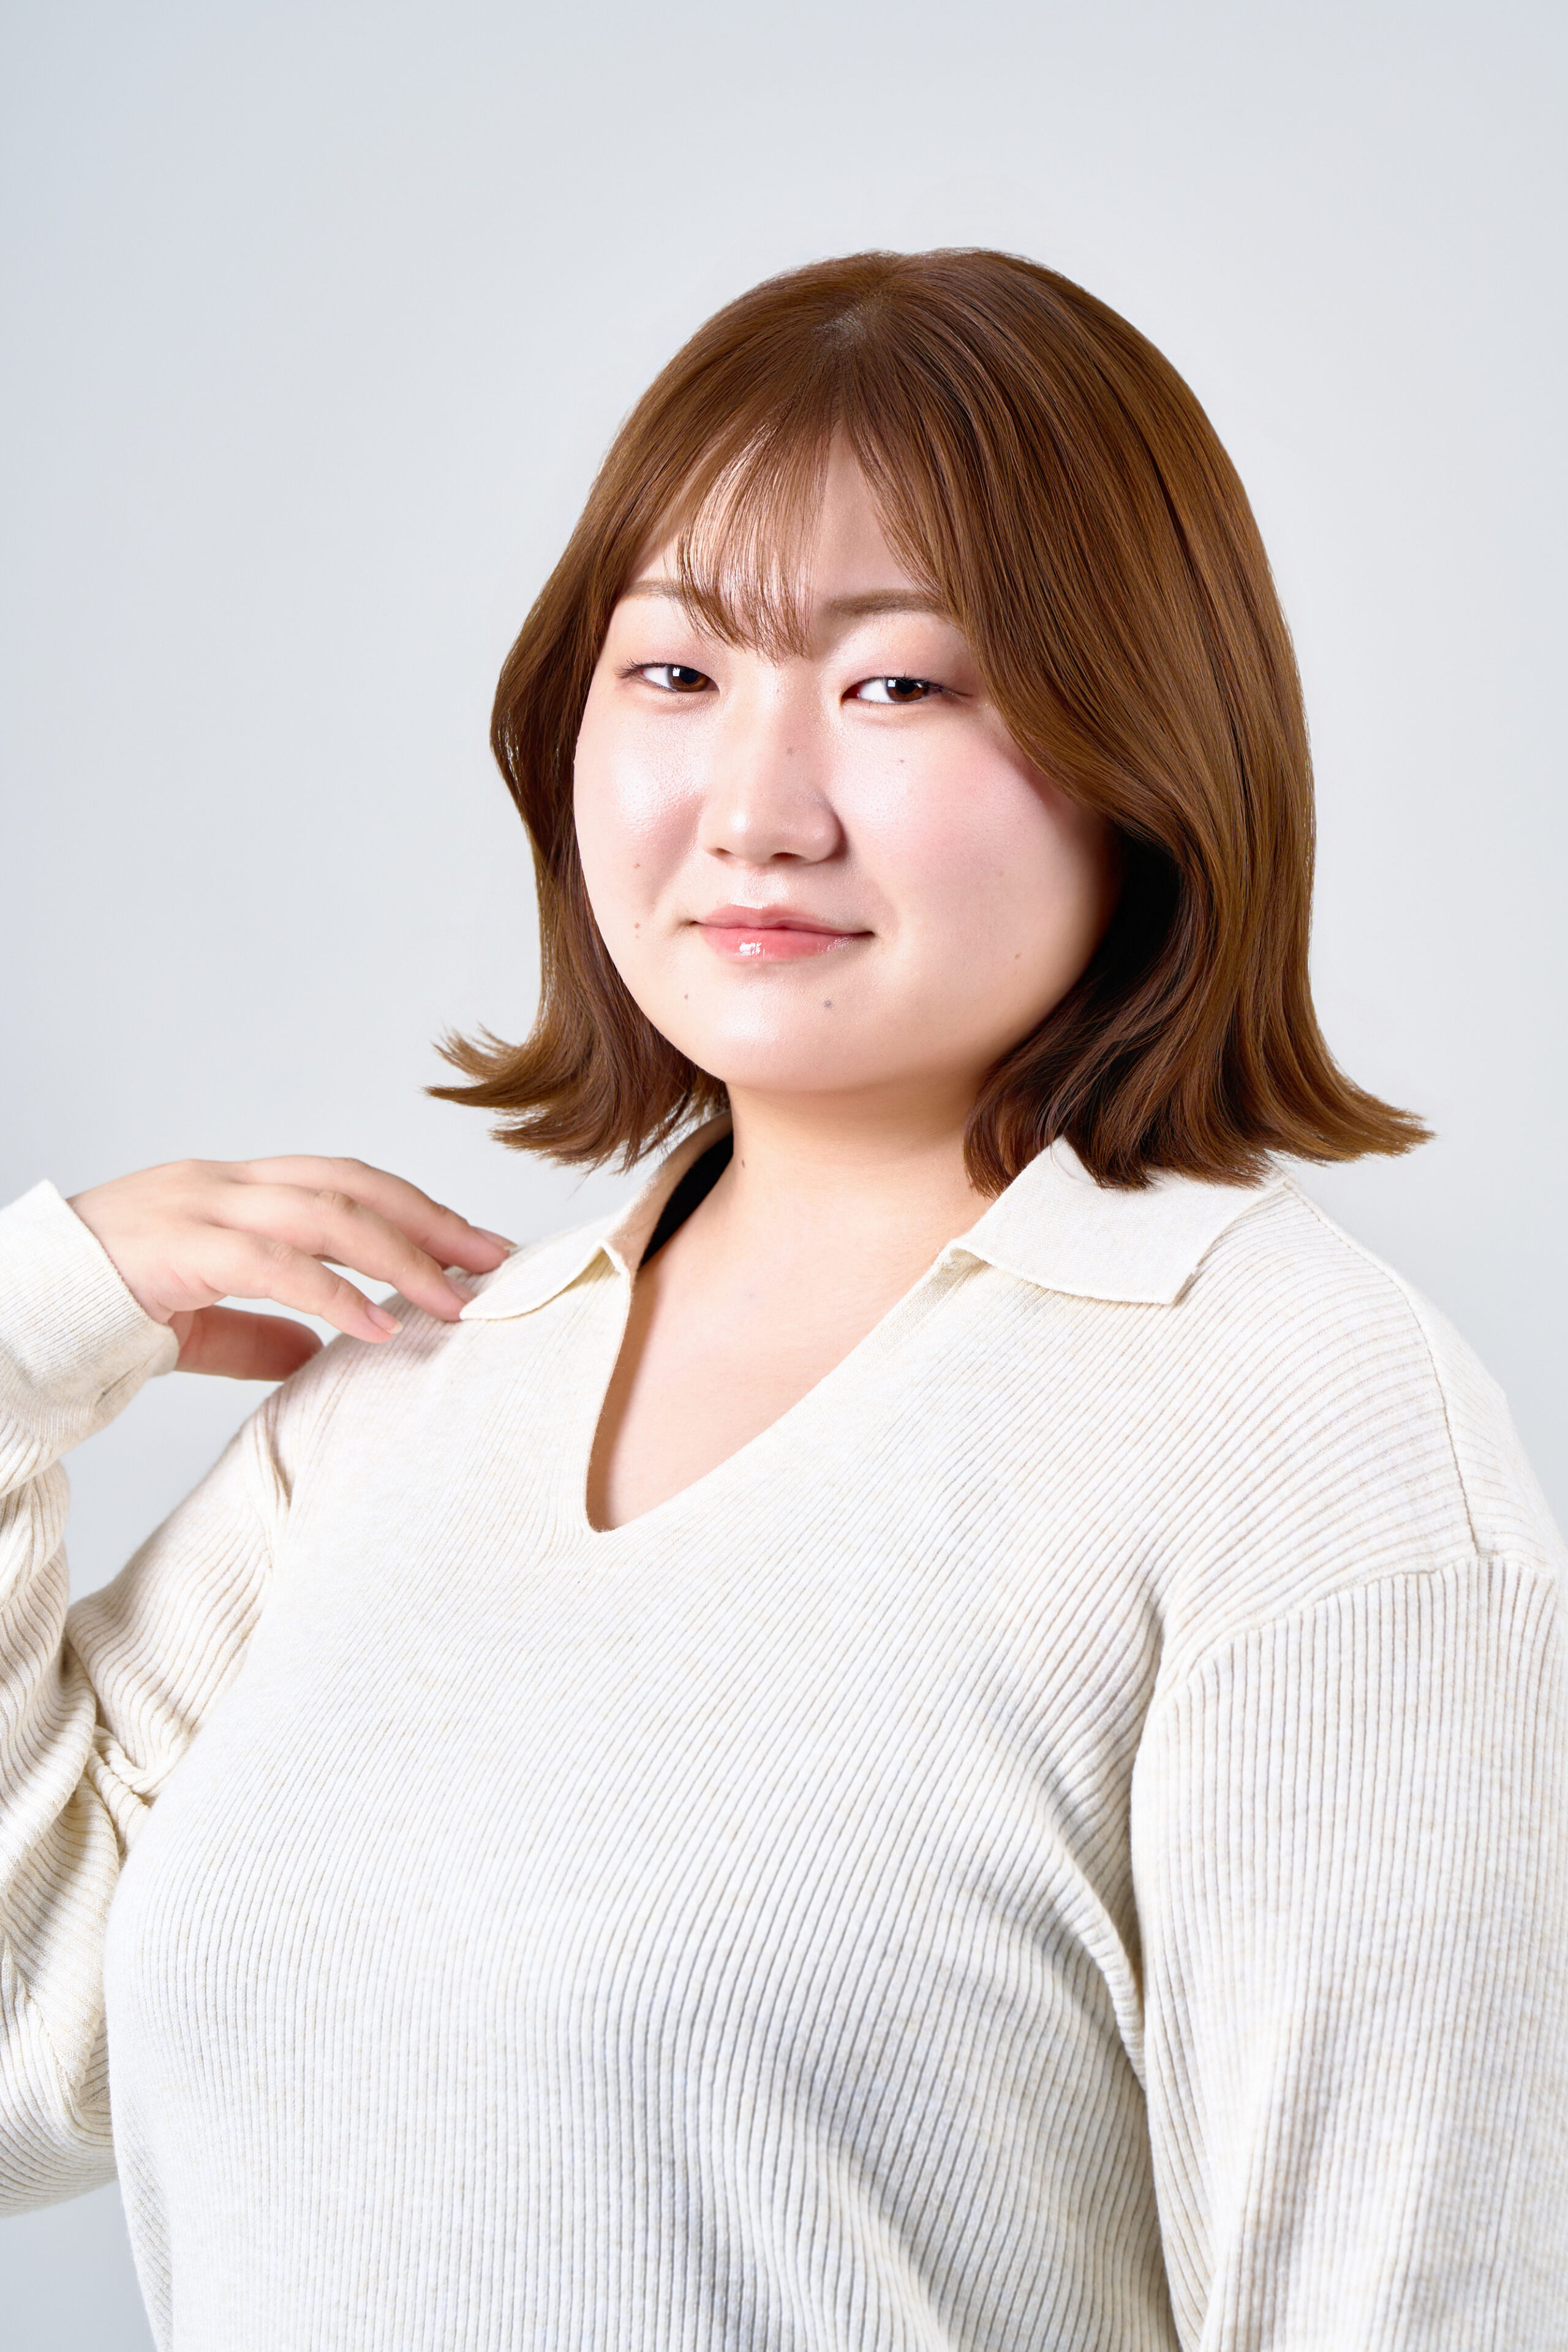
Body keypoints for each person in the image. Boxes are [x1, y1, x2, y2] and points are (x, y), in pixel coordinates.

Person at [2, 248, 1562, 2351]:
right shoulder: (407, 1402)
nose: (757, 811)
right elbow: (17, 2059)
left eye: (897, 687)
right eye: (675, 673)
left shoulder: (1295, 1426)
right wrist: (26, 1339)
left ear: (1147, 752)